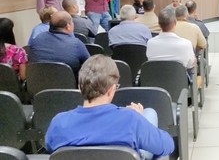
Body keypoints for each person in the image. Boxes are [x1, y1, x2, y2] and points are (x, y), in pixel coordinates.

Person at [45, 54, 175, 159]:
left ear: (80, 88)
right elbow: (167, 146)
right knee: (149, 113)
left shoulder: (58, 122)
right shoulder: (131, 119)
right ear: (111, 89)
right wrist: (142, 121)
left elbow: (50, 148)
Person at [30, 11, 90, 77]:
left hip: (40, 85)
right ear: (67, 26)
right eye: (72, 22)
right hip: (70, 85)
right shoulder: (76, 44)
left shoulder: (37, 39)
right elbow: (89, 66)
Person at [146, 8, 197, 73]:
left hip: (155, 81)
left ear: (158, 24)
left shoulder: (150, 43)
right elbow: (191, 65)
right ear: (175, 22)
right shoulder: (186, 44)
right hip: (179, 82)